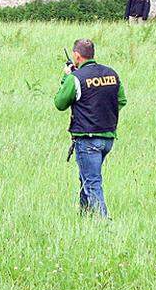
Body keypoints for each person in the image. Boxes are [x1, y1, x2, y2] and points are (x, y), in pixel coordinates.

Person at [54, 39, 126, 217]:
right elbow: (122, 100)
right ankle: (84, 217)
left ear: (77, 56)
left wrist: (66, 77)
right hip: (108, 138)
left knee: (92, 182)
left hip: (87, 139)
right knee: (85, 178)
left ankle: (104, 224)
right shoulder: (112, 74)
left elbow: (60, 103)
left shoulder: (75, 78)